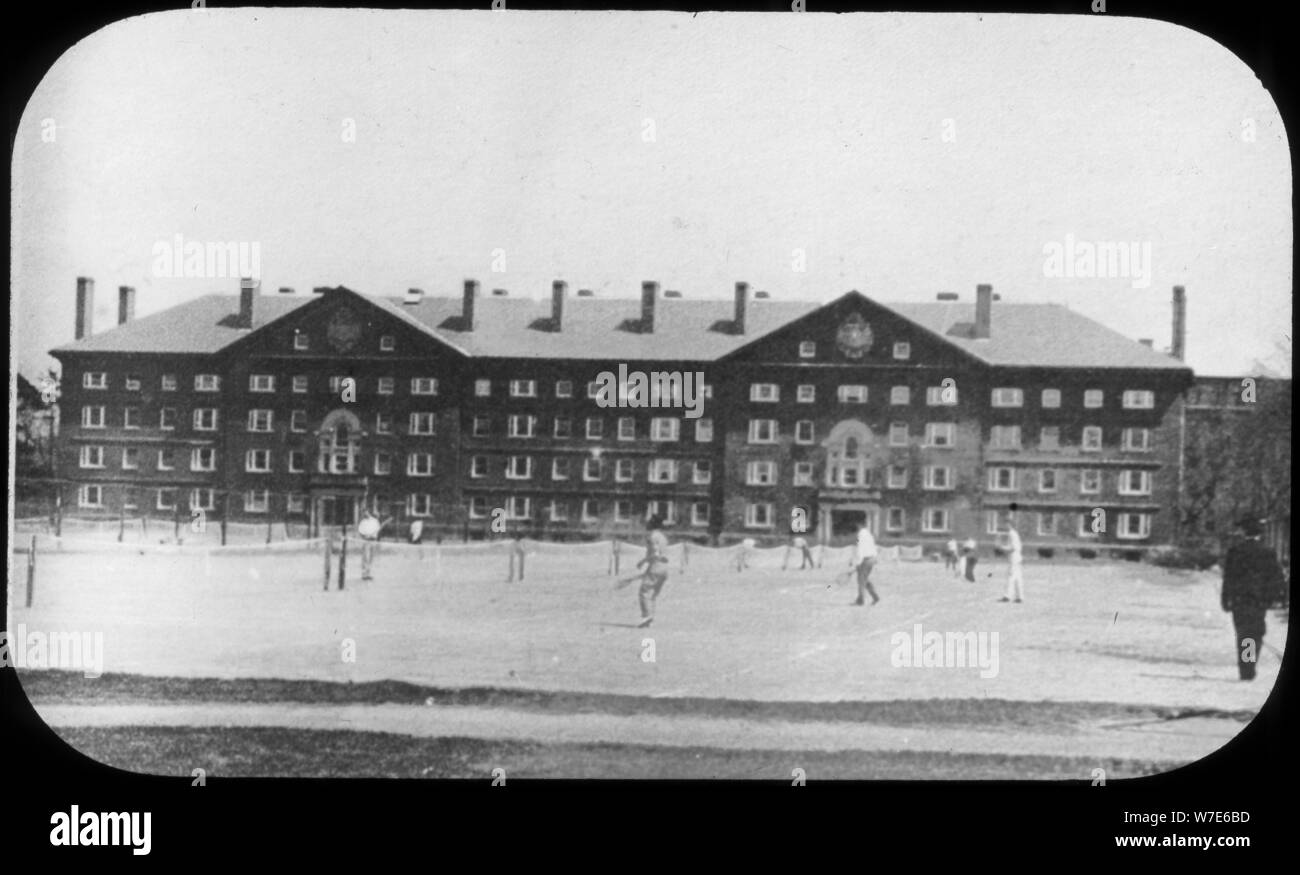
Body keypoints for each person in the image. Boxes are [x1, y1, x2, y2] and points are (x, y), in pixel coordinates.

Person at [1221, 516, 1286, 681]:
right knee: (1254, 634)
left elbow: (1228, 578)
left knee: (1244, 634)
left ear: (1244, 532)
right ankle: (1249, 667)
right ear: (1260, 533)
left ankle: (1247, 669)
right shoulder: (1267, 552)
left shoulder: (1235, 551)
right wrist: (1274, 598)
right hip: (1259, 601)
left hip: (1239, 600)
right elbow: (1276, 577)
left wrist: (1225, 599)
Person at [637, 515, 672, 627]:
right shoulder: (663, 537)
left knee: (644, 591)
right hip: (665, 568)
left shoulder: (652, 536)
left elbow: (655, 553)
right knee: (652, 595)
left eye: (649, 522)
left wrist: (642, 561)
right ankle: (650, 618)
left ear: (652, 524)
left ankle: (647, 617)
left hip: (656, 566)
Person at [852, 522, 880, 606]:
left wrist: (858, 562)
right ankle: (875, 597)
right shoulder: (869, 534)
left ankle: (860, 600)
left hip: (866, 559)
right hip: (872, 558)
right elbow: (873, 547)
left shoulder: (860, 535)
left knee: (861, 580)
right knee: (865, 579)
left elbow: (860, 549)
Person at [998, 518, 1024, 603]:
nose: (1005, 526)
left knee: (1010, 577)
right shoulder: (1014, 533)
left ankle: (1007, 596)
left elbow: (1013, 548)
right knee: (1017, 578)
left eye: (1006, 524)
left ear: (1010, 524)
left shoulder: (1012, 534)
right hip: (1017, 558)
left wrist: (1002, 548)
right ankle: (1019, 597)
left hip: (1014, 558)